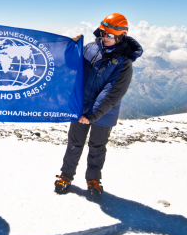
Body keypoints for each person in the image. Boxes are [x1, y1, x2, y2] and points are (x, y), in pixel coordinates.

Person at [55, 13, 143, 200]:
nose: (105, 38)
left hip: (103, 112)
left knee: (97, 147)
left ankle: (93, 179)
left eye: (110, 35)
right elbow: (72, 66)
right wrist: (71, 48)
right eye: (103, 33)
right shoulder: (90, 48)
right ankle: (66, 175)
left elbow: (112, 93)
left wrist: (91, 115)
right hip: (80, 108)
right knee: (74, 143)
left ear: (121, 35)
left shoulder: (124, 63)